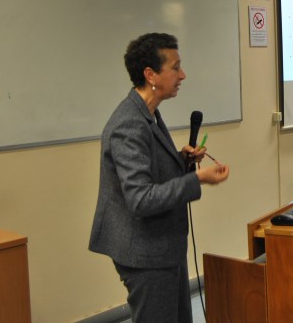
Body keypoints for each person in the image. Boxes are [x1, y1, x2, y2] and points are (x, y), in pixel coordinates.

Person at [89, 32, 230, 323]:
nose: (183, 75)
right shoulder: (129, 124)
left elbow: (148, 166)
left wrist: (180, 159)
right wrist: (198, 179)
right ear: (150, 74)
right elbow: (140, 199)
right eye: (175, 68)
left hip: (163, 245)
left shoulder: (149, 113)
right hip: (145, 253)